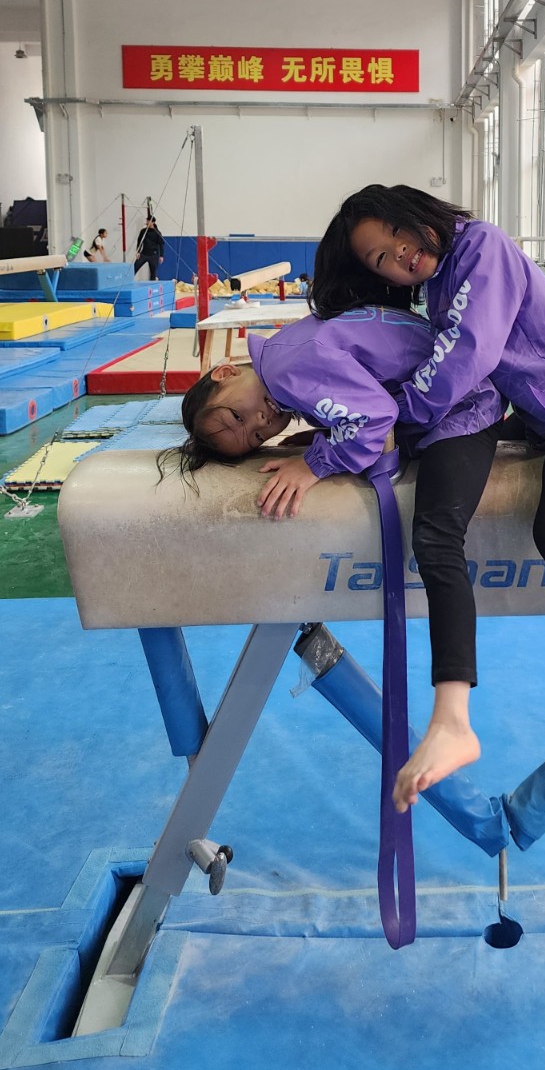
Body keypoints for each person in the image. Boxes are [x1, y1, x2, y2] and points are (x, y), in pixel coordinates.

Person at [313, 183, 545, 812]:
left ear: (413, 213)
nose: (400, 256)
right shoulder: (438, 285)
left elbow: (466, 358)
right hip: (544, 420)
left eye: (396, 236)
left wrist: (393, 419)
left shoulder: (482, 247)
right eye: (380, 260)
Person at [165, 303, 507, 810]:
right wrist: (324, 433)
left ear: (225, 371)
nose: (259, 423)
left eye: (238, 415)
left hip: (465, 403)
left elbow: (374, 421)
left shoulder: (284, 367)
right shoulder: (284, 358)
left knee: (437, 540)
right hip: (451, 394)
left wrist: (314, 464)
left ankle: (454, 717)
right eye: (256, 437)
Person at [134, 215, 164, 279]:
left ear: (153, 222)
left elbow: (161, 244)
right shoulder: (143, 231)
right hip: (144, 253)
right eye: (147, 221)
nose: (147, 222)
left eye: (148, 221)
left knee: (153, 272)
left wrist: (161, 256)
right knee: (135, 267)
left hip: (153, 255)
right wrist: (138, 251)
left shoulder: (157, 233)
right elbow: (139, 241)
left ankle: (152, 283)